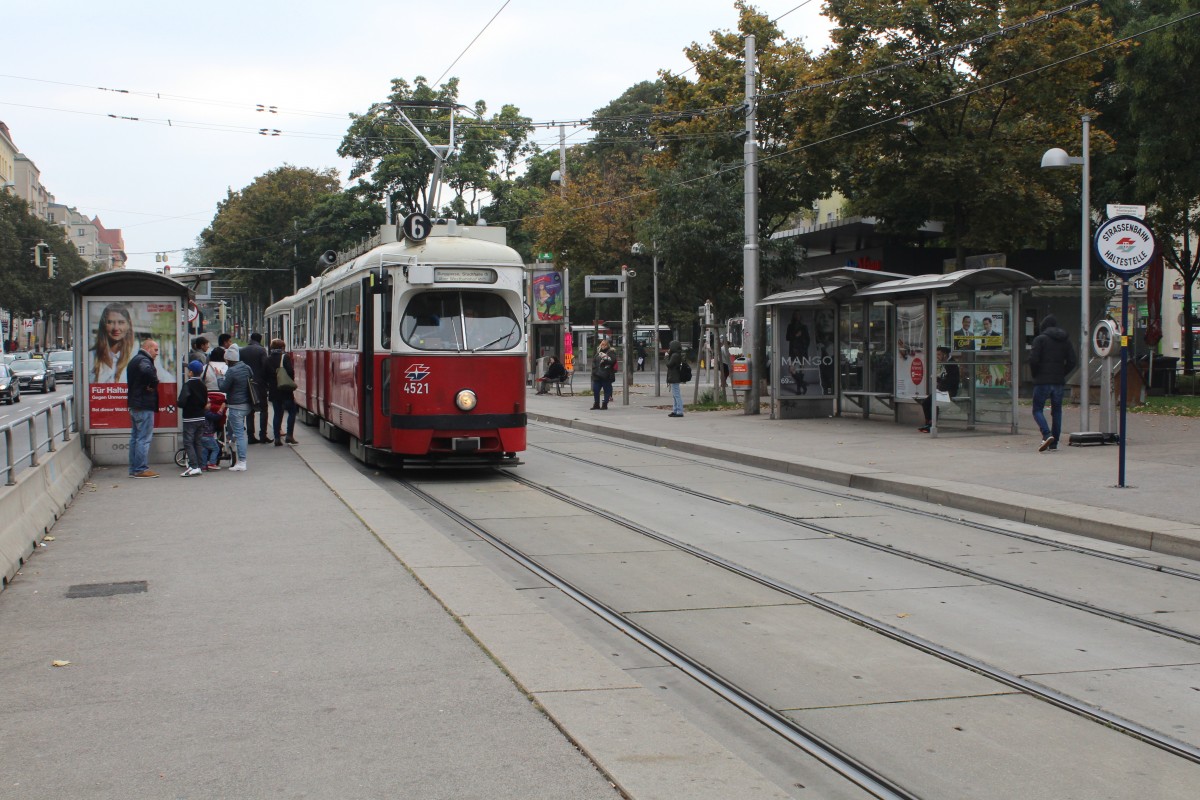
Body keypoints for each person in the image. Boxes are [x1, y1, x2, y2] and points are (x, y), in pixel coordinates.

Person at [1029, 314, 1077, 452]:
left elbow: (1033, 360)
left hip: (1042, 381)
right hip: (1058, 381)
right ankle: (1054, 442)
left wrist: (1035, 374)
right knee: (1057, 411)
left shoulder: (1040, 340)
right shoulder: (1065, 340)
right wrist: (1062, 373)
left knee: (1037, 409)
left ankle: (1046, 434)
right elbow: (1072, 361)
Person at [127, 338, 160, 478]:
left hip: (135, 404)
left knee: (135, 437)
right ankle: (141, 469)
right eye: (155, 350)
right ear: (147, 348)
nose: (157, 353)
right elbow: (148, 372)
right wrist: (153, 384)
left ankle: (134, 468)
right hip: (143, 404)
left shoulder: (135, 359)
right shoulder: (144, 361)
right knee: (143, 438)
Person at [218, 344, 252, 471]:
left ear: (228, 360)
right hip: (247, 404)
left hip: (236, 406)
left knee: (239, 434)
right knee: (239, 431)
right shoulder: (246, 367)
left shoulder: (231, 371)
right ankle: (231, 442)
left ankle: (242, 461)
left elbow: (223, 388)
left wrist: (219, 377)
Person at [178, 360, 209, 476]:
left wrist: (178, 402)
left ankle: (193, 465)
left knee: (188, 442)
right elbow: (205, 402)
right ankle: (200, 465)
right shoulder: (203, 385)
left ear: (190, 372)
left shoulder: (188, 385)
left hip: (190, 418)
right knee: (198, 442)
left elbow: (182, 402)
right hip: (201, 417)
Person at [265, 337, 299, 446]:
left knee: (277, 414)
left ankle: (277, 438)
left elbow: (264, 374)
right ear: (282, 347)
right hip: (285, 390)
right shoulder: (285, 357)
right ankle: (289, 435)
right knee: (292, 411)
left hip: (274, 391)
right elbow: (290, 372)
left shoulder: (268, 358)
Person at [919, 346, 960, 433]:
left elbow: (951, 381)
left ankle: (931, 424)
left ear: (944, 355)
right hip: (943, 390)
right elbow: (945, 378)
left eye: (939, 354)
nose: (937, 356)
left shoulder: (951, 364)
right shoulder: (945, 363)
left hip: (948, 391)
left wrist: (938, 380)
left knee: (932, 403)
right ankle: (929, 423)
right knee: (926, 403)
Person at [91, 303, 136, 383]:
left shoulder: (136, 356)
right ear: (103, 325)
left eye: (121, 322)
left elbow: (163, 378)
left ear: (128, 325)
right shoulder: (91, 356)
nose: (116, 328)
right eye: (110, 322)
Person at [241, 332, 271, 443]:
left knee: (250, 410)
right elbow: (265, 366)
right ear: (260, 339)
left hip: (247, 383)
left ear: (250, 338)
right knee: (263, 409)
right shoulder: (262, 350)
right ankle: (263, 435)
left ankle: (250, 436)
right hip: (260, 384)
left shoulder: (242, 350)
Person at [200, 396, 225, 471]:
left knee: (204, 450)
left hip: (201, 435)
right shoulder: (207, 413)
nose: (210, 404)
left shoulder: (200, 413)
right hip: (208, 435)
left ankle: (203, 465)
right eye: (208, 403)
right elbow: (216, 417)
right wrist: (221, 409)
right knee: (216, 449)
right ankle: (212, 463)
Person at [590, 339, 616, 410]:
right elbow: (594, 362)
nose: (602, 345)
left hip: (606, 375)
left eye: (604, 344)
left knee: (606, 390)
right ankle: (596, 404)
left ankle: (605, 404)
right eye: (602, 344)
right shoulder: (598, 352)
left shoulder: (611, 352)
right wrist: (594, 370)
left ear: (607, 345)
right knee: (596, 390)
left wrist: (605, 358)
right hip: (597, 375)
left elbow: (612, 361)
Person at [666, 340, 685, 417]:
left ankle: (679, 411)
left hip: (674, 377)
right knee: (675, 395)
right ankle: (675, 410)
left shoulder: (675, 355)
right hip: (674, 376)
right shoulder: (676, 354)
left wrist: (666, 356)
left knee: (676, 395)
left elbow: (669, 364)